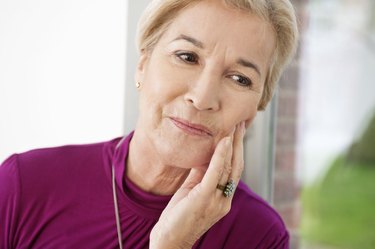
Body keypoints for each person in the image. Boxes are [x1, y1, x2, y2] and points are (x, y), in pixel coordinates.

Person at [0, 0, 298, 248]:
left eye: (239, 78)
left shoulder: (259, 236)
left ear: (257, 107)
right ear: (142, 64)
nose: (203, 97)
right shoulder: (25, 185)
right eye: (187, 56)